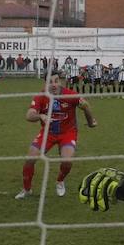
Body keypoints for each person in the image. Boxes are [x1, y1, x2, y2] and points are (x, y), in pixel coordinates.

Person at [15, 72, 98, 200]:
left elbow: (85, 106)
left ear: (60, 81)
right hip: (48, 133)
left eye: (56, 81)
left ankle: (60, 181)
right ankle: (27, 189)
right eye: (50, 82)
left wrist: (91, 122)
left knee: (67, 161)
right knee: (30, 159)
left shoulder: (70, 95)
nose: (53, 84)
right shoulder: (41, 96)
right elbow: (29, 115)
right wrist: (40, 116)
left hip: (67, 133)